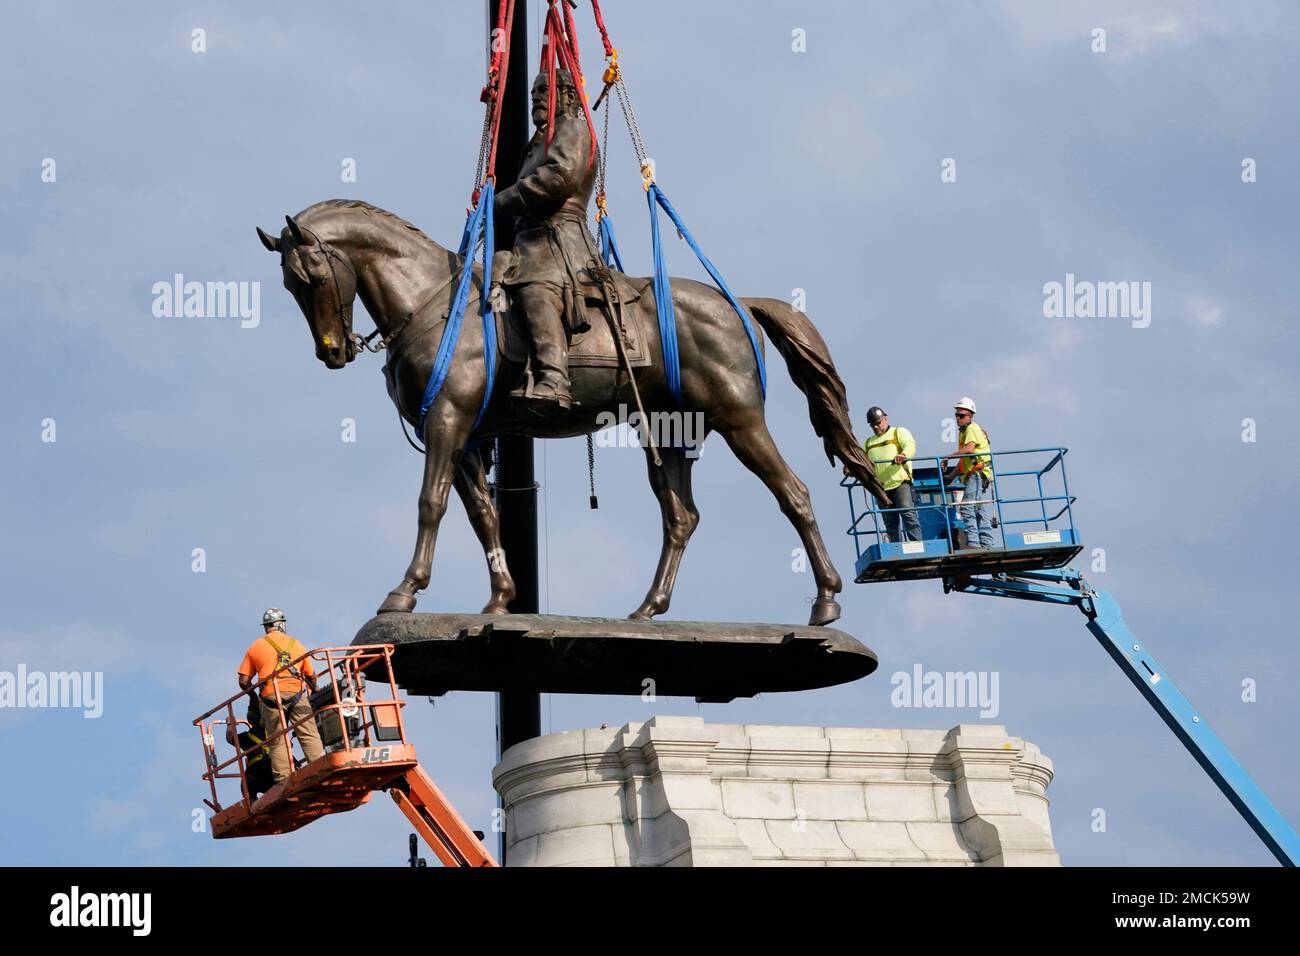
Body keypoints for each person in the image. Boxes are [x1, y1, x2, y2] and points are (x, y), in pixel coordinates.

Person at [493, 67, 602, 412]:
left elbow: (560, 176)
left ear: (567, 95)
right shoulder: (537, 143)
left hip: (559, 240)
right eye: (533, 93)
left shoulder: (573, 127)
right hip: (530, 240)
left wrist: (503, 200)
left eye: (544, 91)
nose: (536, 98)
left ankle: (554, 379)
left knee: (535, 289)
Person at [237, 608, 324, 784]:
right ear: (282, 625)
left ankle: (283, 780)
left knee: (278, 740)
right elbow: (311, 676)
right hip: (297, 696)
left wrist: (254, 698)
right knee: (309, 734)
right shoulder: (297, 644)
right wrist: (315, 690)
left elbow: (244, 681)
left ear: (266, 627)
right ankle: (320, 769)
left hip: (270, 699)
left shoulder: (256, 646)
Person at [862, 406, 922, 544]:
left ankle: (917, 545)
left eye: (878, 423)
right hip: (881, 488)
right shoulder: (868, 443)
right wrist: (850, 469)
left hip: (900, 483)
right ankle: (896, 548)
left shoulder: (898, 432)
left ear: (885, 419)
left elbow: (910, 444)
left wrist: (904, 455)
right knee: (890, 523)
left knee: (908, 514)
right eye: (873, 425)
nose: (876, 427)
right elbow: (862, 459)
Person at [943, 397, 996, 550]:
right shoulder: (964, 432)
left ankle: (973, 543)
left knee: (967, 507)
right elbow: (964, 460)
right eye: (956, 416)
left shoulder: (972, 428)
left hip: (978, 473)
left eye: (961, 415)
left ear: (970, 416)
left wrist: (947, 457)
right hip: (977, 473)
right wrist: (951, 476)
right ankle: (987, 544)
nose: (958, 418)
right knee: (979, 509)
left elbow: (970, 449)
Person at [225, 695, 273, 800]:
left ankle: (251, 800)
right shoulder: (274, 728)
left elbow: (230, 738)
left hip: (258, 773)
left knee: (246, 785)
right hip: (278, 769)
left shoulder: (246, 737)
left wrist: (230, 723)